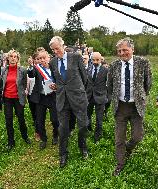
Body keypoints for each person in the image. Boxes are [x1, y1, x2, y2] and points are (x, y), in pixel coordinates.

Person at [107, 37, 152, 176]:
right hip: (120, 107)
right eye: (119, 51)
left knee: (137, 137)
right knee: (119, 138)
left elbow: (148, 83)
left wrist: (141, 96)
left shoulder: (143, 63)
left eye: (125, 50)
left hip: (136, 107)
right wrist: (113, 98)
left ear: (132, 49)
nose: (121, 53)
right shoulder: (114, 65)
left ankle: (128, 147)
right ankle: (120, 164)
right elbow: (110, 84)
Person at [49, 36, 89, 168]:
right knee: (63, 128)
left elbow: (84, 78)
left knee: (83, 125)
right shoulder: (53, 62)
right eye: (53, 50)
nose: (55, 51)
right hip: (62, 99)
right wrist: (57, 86)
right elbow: (56, 79)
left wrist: (77, 90)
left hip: (78, 97)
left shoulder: (76, 57)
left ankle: (82, 147)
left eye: (57, 48)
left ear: (63, 45)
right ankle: (63, 154)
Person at [1, 49, 31, 150]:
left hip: (18, 98)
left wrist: (24, 92)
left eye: (15, 57)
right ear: (8, 58)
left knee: (21, 118)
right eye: (11, 56)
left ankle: (25, 136)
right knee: (8, 120)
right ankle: (10, 141)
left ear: (18, 59)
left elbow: (23, 84)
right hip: (7, 98)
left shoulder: (22, 70)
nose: (13, 58)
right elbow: (2, 83)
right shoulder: (4, 70)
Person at [28, 50, 59, 149]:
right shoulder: (37, 69)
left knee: (55, 119)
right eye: (40, 58)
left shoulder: (55, 67)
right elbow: (31, 74)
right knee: (40, 120)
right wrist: (31, 66)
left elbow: (61, 80)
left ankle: (55, 135)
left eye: (44, 58)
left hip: (53, 97)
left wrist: (57, 86)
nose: (42, 60)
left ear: (49, 58)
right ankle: (43, 139)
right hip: (41, 98)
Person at [86, 52, 109, 143]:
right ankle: (88, 130)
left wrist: (107, 96)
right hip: (89, 97)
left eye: (97, 60)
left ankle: (98, 136)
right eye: (93, 60)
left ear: (101, 59)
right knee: (87, 116)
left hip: (100, 97)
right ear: (91, 60)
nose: (95, 62)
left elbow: (109, 85)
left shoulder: (106, 70)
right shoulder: (88, 69)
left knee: (99, 119)